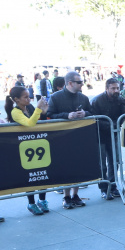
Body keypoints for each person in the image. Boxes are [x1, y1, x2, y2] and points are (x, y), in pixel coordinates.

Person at [47, 71, 92, 209]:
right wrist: (67, 115)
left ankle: (75, 195)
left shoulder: (83, 98)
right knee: (66, 167)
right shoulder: (55, 97)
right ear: (70, 83)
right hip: (62, 138)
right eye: (79, 82)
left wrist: (85, 113)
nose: (82, 84)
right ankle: (66, 196)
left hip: (80, 137)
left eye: (82, 82)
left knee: (79, 165)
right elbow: (49, 115)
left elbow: (92, 112)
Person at [5, 86, 50, 215]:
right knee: (30, 176)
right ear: (16, 100)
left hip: (38, 144)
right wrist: (38, 109)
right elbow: (30, 123)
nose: (28, 99)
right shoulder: (15, 112)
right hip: (24, 147)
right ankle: (31, 203)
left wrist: (44, 112)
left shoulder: (30, 108)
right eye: (25, 97)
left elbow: (38, 122)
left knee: (42, 173)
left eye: (29, 96)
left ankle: (42, 200)